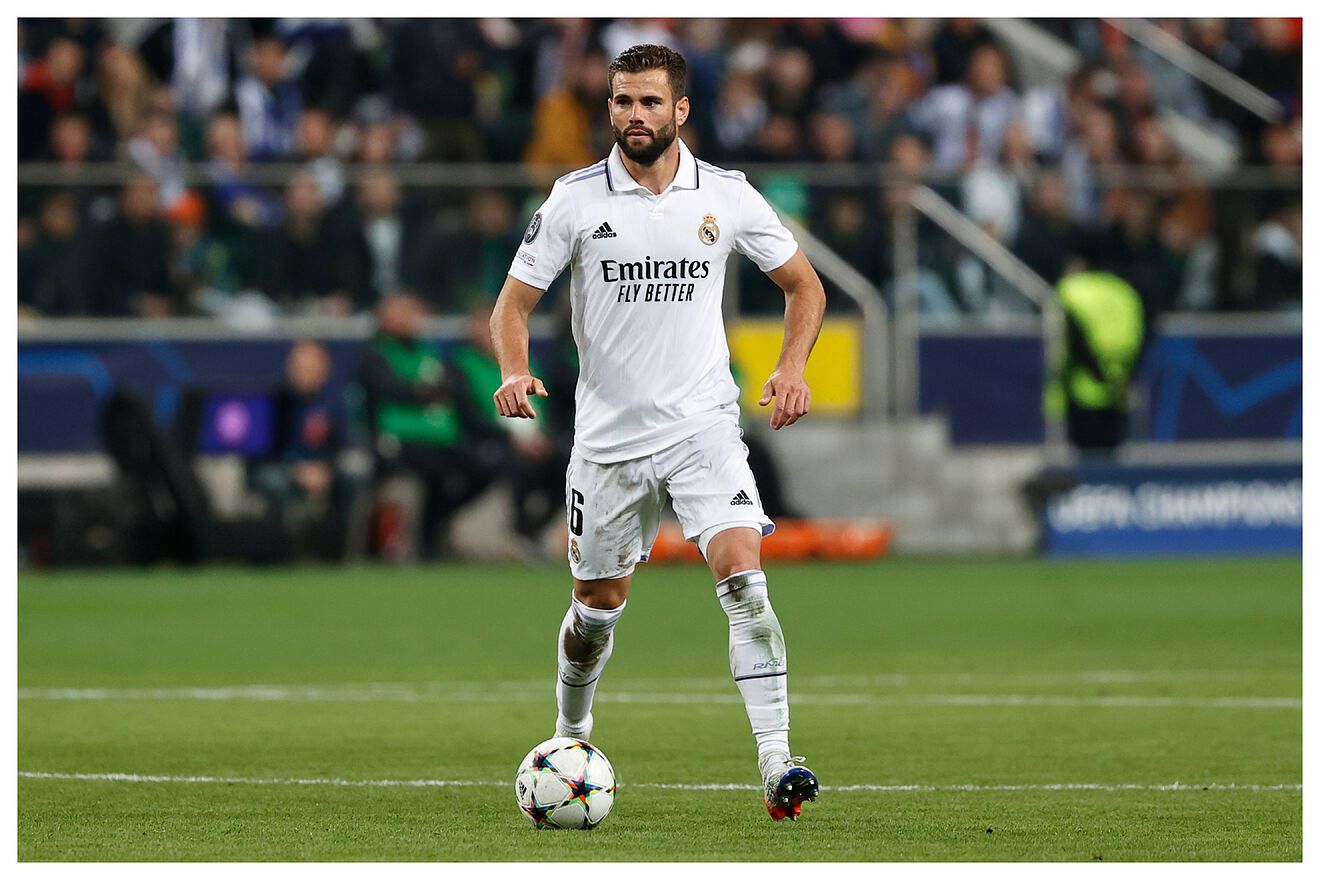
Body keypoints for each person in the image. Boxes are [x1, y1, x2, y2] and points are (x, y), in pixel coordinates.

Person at [489, 45, 826, 822]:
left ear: (681, 111)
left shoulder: (729, 196)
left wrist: (792, 366)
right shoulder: (574, 200)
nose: (633, 116)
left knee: (745, 579)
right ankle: (572, 737)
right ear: (608, 109)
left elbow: (804, 286)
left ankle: (778, 762)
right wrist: (514, 369)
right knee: (595, 611)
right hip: (608, 442)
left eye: (648, 103)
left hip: (704, 427)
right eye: (621, 102)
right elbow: (511, 307)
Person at [356, 294, 497, 559]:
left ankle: (437, 529)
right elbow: (392, 390)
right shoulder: (375, 356)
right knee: (431, 472)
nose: (411, 318)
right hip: (399, 443)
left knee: (479, 466)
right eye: (402, 311)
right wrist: (425, 393)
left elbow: (450, 389)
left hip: (441, 441)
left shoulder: (428, 351)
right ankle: (423, 541)